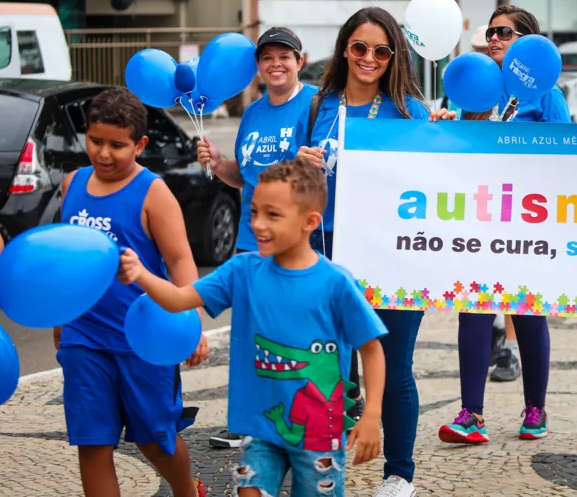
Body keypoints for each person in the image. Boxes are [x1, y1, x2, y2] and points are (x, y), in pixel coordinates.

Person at [118, 160, 387, 497]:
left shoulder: (336, 283)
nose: (258, 224)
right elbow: (178, 299)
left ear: (310, 222)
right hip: (260, 425)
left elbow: (372, 349)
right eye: (255, 211)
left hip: (320, 433)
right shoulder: (242, 271)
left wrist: (373, 413)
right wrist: (140, 273)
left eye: (272, 215)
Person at [296, 7, 432, 497]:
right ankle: (323, 466)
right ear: (344, 51)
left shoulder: (411, 111)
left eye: (380, 50)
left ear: (394, 56)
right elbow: (292, 189)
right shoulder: (318, 107)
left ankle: (399, 474)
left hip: (394, 260)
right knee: (328, 370)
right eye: (359, 48)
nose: (369, 59)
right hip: (327, 259)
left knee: (393, 369)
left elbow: (435, 187)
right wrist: (301, 163)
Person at [55, 87, 208, 497]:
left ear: (139, 144)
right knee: (93, 443)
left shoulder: (153, 191)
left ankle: (186, 491)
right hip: (83, 336)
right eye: (95, 141)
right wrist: (59, 317)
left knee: (154, 438)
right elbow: (65, 260)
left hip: (145, 339)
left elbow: (179, 262)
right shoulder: (73, 183)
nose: (104, 154)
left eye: (116, 145)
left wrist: (190, 324)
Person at [438, 5, 568, 446]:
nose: (492, 39)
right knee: (473, 311)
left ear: (528, 44)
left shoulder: (546, 93)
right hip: (478, 219)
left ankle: (536, 409)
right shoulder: (473, 87)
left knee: (528, 314)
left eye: (504, 32)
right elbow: (453, 152)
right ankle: (470, 414)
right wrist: (439, 127)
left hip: (528, 221)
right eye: (490, 32)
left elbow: (566, 155)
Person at [196, 26, 318, 449]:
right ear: (258, 68)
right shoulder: (252, 112)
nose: (276, 64)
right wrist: (218, 162)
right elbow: (242, 177)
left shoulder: (315, 103)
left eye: (285, 56)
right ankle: (247, 421)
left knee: (294, 332)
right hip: (251, 240)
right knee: (250, 332)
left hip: (295, 240)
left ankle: (303, 419)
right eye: (267, 58)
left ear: (299, 62)